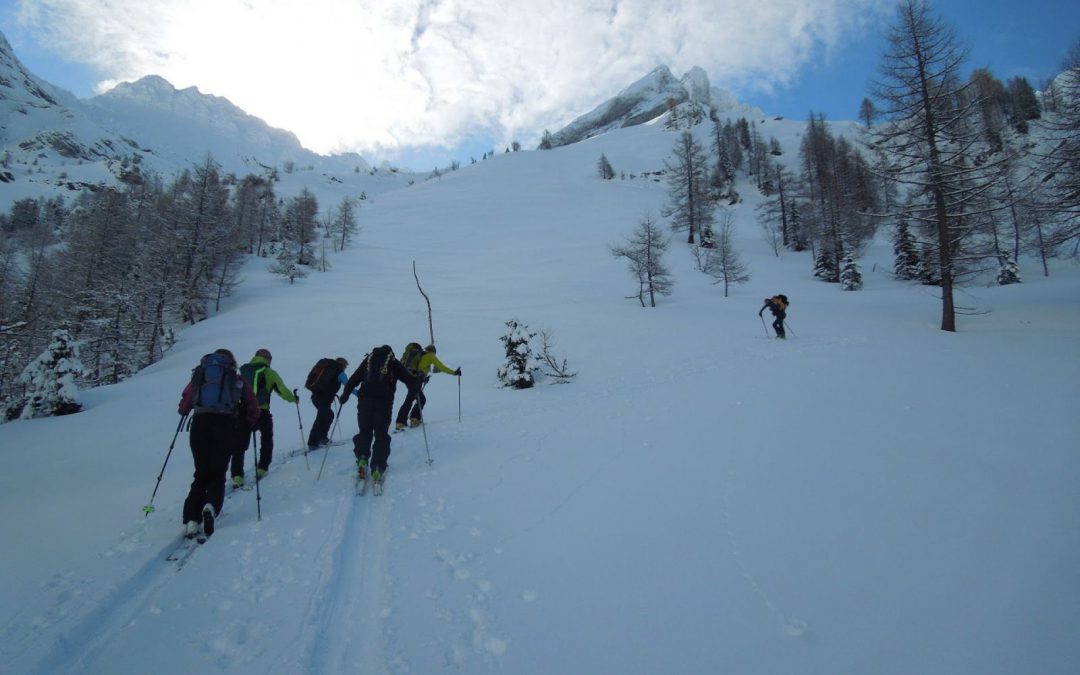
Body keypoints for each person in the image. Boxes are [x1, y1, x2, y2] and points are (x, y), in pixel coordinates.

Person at [178, 348, 260, 538]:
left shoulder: (199, 377)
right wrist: (249, 422)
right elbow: (252, 404)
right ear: (231, 362)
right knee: (218, 472)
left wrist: (185, 411)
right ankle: (210, 506)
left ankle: (191, 519)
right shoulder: (237, 379)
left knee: (200, 473)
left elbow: (185, 401)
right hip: (225, 426)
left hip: (199, 425)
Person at [339, 345, 421, 484]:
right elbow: (410, 381)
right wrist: (418, 381)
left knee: (364, 432)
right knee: (381, 434)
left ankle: (363, 458)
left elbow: (353, 379)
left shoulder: (369, 360)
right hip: (384, 404)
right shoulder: (393, 363)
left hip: (364, 402)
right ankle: (378, 466)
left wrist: (345, 396)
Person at [232, 348, 298, 487]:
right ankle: (262, 468)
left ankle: (237, 475)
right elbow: (282, 390)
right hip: (261, 411)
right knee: (266, 439)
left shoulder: (242, 371)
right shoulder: (269, 372)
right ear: (268, 359)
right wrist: (293, 399)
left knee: (239, 444)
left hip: (243, 412)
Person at [395, 343, 462, 431]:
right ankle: (403, 421)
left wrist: (424, 378)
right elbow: (441, 367)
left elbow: (419, 368)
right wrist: (454, 372)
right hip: (416, 379)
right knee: (413, 398)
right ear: (433, 351)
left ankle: (410, 419)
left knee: (418, 398)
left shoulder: (420, 355)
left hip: (409, 378)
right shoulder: (430, 356)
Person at [305, 357, 349, 452]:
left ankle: (322, 438)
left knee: (328, 415)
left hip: (316, 397)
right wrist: (360, 394)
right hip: (323, 399)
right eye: (346, 366)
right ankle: (312, 443)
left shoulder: (329, 370)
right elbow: (349, 386)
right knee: (323, 417)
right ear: (343, 365)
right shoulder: (339, 373)